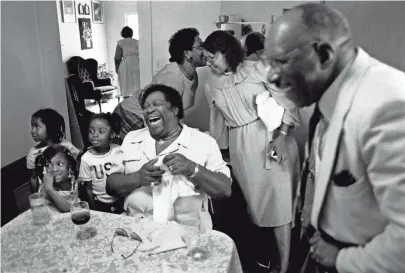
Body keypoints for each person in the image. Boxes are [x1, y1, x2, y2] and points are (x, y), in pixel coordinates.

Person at [264, 3, 405, 273]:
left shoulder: (386, 108)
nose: (272, 76)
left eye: (281, 62)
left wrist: (341, 258)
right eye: (269, 63)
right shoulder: (328, 98)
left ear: (324, 54)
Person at [202, 30, 301, 273]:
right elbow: (217, 120)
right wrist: (220, 152)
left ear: (226, 51)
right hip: (241, 146)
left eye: (211, 57)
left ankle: (286, 265)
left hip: (272, 139)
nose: (208, 63)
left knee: (279, 204)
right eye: (205, 58)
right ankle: (267, 257)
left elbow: (289, 100)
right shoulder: (210, 83)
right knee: (257, 207)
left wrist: (282, 136)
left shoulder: (258, 69)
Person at [106, 84, 232, 229]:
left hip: (187, 231)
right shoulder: (131, 138)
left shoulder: (203, 141)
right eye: (145, 107)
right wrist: (138, 178)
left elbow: (224, 190)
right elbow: (111, 186)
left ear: (175, 110)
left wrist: (193, 169)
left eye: (157, 104)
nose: (149, 110)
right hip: (137, 227)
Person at [113, 28, 206, 140]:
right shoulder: (172, 78)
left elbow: (175, 112)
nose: (205, 51)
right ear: (187, 53)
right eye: (201, 46)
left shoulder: (192, 75)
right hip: (131, 114)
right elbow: (159, 116)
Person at [78, 113, 123, 213]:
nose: (94, 135)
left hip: (121, 199)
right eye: (91, 131)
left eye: (101, 131)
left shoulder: (119, 150)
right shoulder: (86, 159)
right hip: (99, 203)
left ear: (112, 134)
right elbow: (88, 188)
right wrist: (94, 209)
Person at [27, 108, 80, 193]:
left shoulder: (66, 146)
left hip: (69, 191)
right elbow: (33, 177)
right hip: (47, 193)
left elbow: (77, 162)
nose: (32, 131)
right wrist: (36, 195)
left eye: (37, 126)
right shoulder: (33, 153)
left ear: (50, 126)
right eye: (32, 126)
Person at [35, 145, 79, 213]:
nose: (54, 169)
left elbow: (70, 209)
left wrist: (50, 190)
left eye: (60, 164)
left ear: (69, 166)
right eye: (48, 165)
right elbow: (66, 210)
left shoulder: (74, 183)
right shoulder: (45, 187)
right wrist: (50, 189)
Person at [115, 26, 140, 98]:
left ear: (122, 34)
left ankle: (126, 104)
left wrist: (117, 68)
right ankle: (137, 105)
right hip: (137, 63)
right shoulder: (137, 42)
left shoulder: (120, 43)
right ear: (131, 33)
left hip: (125, 65)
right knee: (137, 84)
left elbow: (117, 57)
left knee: (125, 85)